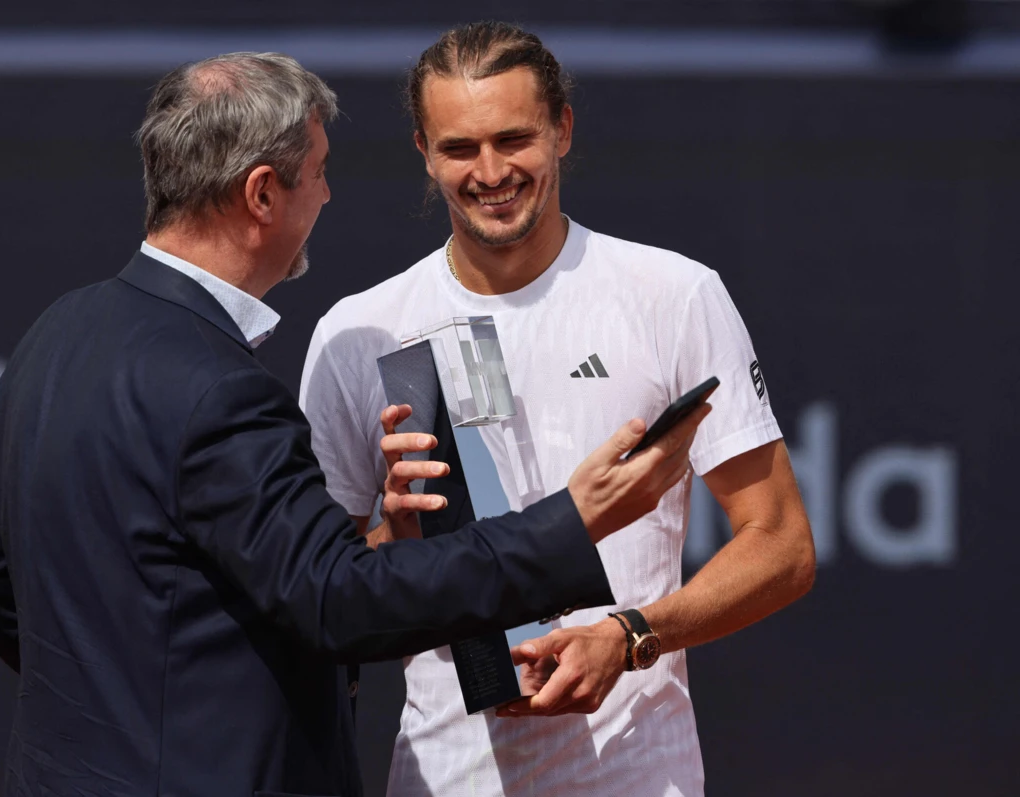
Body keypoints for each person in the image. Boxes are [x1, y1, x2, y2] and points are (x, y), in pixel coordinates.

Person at [0, 52, 711, 797]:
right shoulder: (220, 387)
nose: (325, 194)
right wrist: (571, 519)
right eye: (316, 171)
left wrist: (125, 709)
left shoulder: (55, 333)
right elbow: (334, 602)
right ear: (261, 194)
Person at [299, 22, 816, 797]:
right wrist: (396, 537)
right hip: (440, 777)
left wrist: (633, 634)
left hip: (642, 776)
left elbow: (781, 544)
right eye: (460, 148)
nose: (491, 172)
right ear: (422, 150)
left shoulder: (672, 295)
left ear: (562, 129)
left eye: (515, 139)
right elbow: (316, 597)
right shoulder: (356, 333)